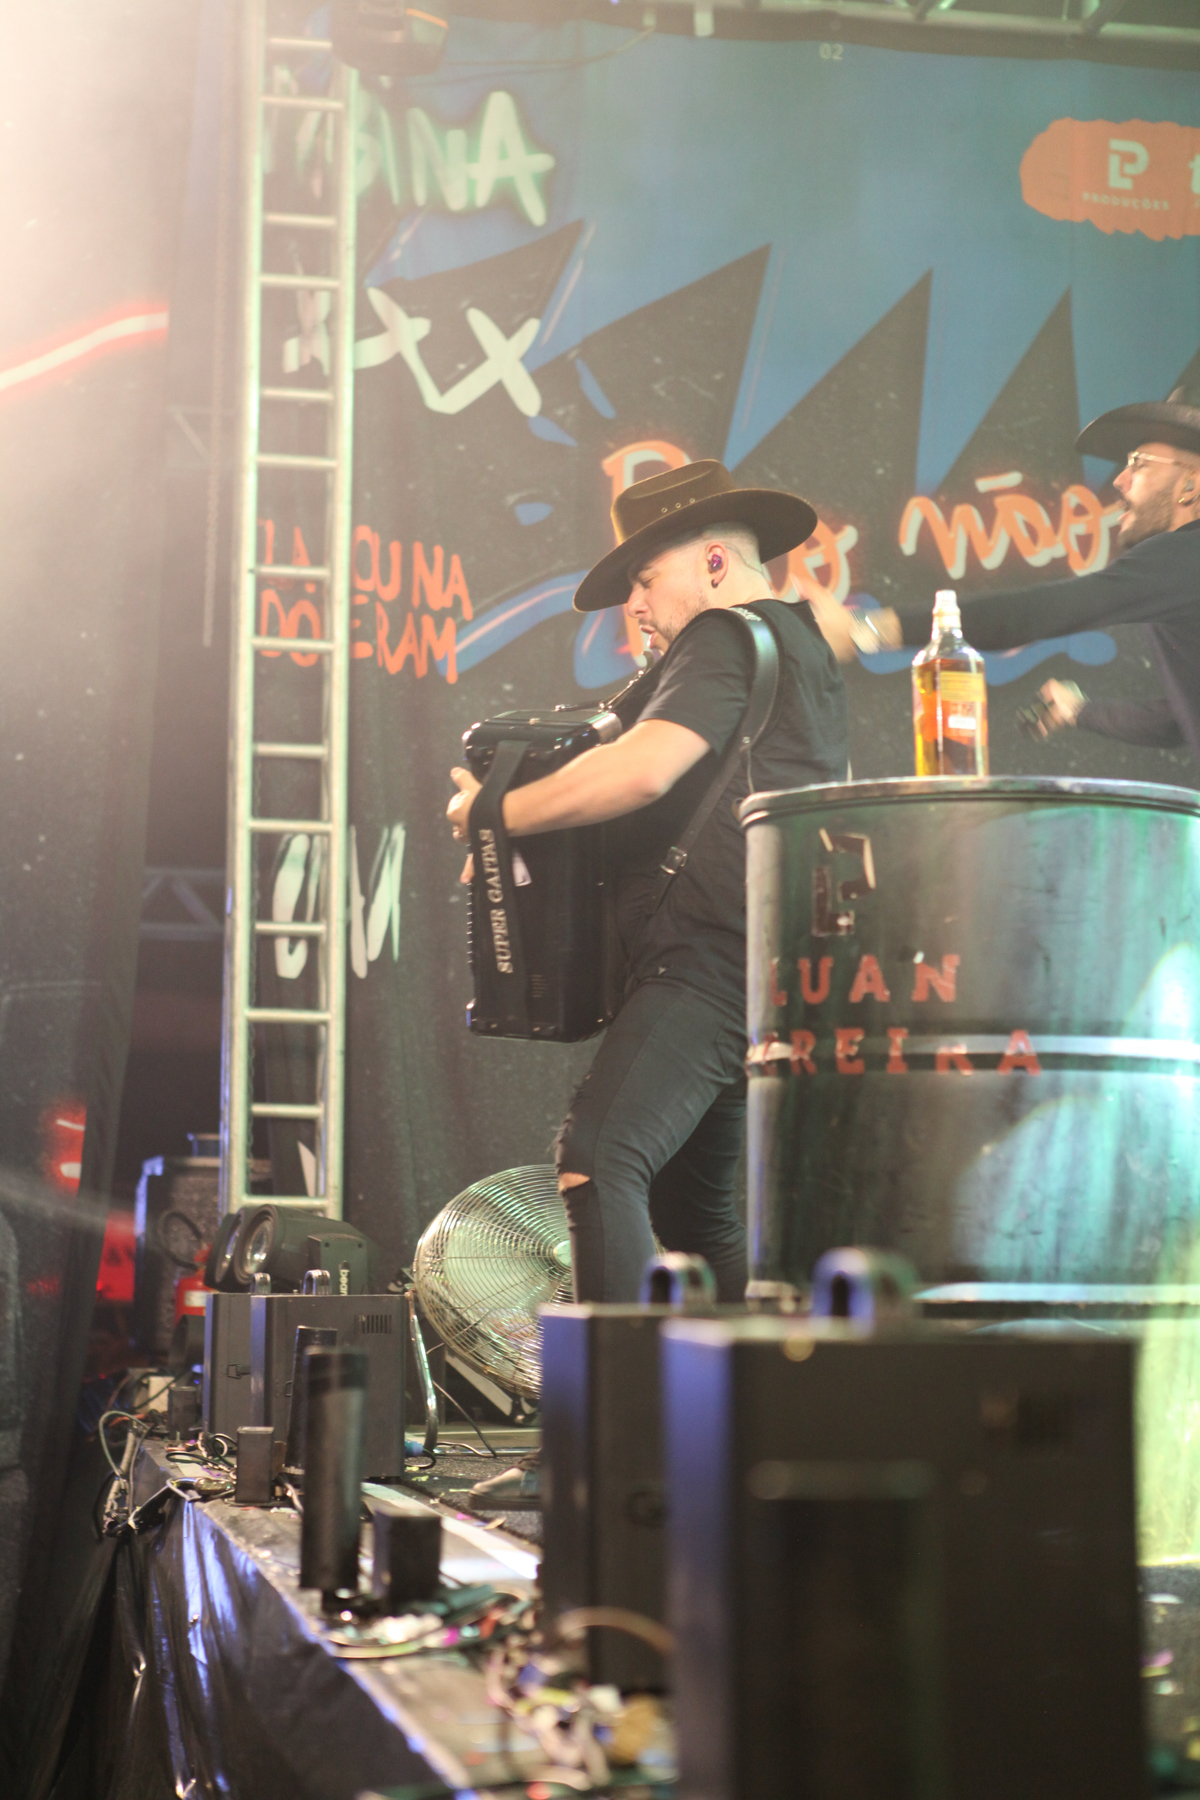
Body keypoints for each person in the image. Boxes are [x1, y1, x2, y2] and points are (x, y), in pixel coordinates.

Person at [446, 460, 847, 1313]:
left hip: (709, 957)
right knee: (693, 1215)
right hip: (763, 960)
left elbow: (642, 770)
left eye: (645, 578)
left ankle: (613, 1402)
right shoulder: (797, 643)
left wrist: (494, 814)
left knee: (599, 1156)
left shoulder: (723, 635)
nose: (634, 605)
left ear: (713, 562)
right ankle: (747, 1393)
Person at [810, 387, 1200, 754]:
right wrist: (1079, 711)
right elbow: (1178, 719)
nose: (1120, 479)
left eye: (1139, 464)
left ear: (1190, 485)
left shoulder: (1183, 555)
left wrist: (870, 629)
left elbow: (1037, 613)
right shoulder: (1181, 571)